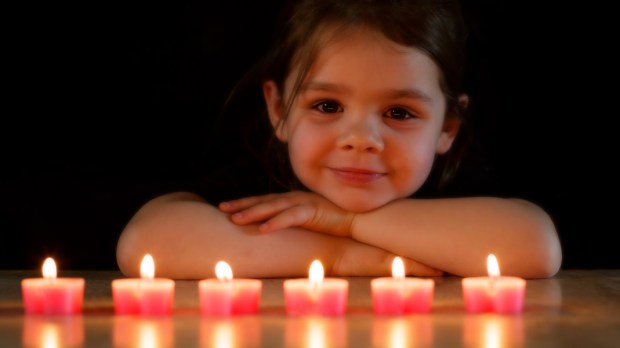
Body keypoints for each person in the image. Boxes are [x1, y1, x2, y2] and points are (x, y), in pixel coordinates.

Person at [116, 0, 562, 280]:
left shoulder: (460, 190)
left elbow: (536, 246)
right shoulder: (258, 181)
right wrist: (340, 254)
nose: (361, 140)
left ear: (447, 128)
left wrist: (344, 220)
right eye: (327, 106)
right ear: (278, 110)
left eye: (399, 113)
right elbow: (146, 242)